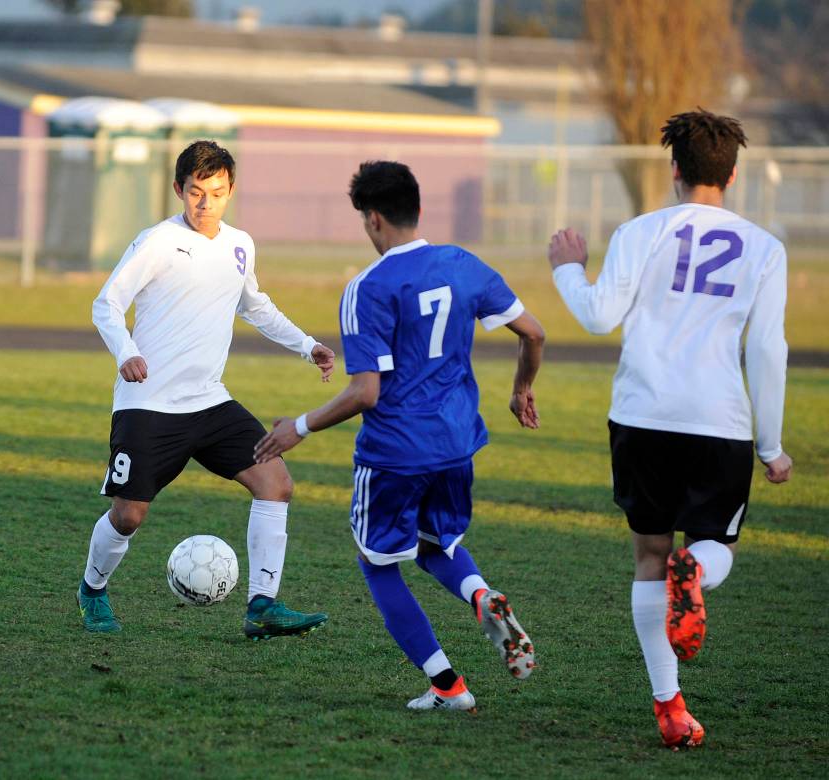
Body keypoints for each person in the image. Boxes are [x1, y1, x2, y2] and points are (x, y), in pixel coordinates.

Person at [254, 160, 545, 711]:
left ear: (373, 219)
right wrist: (522, 387)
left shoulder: (368, 287)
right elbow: (533, 333)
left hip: (395, 451)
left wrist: (299, 426)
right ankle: (481, 594)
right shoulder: (463, 264)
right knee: (437, 544)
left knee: (379, 563)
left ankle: (448, 688)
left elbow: (367, 392)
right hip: (457, 444)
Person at [547, 110, 793, 749]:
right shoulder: (766, 248)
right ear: (733, 174)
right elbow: (767, 350)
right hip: (719, 421)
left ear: (674, 169)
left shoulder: (640, 231)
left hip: (642, 418)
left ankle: (670, 707)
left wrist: (568, 268)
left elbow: (600, 317)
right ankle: (698, 570)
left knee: (648, 559)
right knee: (716, 548)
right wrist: (771, 444)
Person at [78, 140, 336, 640]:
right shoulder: (157, 241)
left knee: (276, 483)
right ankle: (92, 589)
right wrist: (126, 352)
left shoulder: (241, 244)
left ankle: (263, 604)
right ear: (178, 190)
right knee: (129, 516)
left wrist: (308, 346)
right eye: (196, 192)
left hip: (210, 401)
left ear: (230, 191)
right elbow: (106, 303)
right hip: (148, 403)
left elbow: (255, 305)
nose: (205, 203)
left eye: (216, 192)